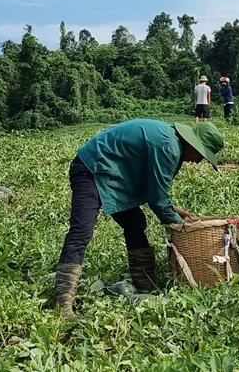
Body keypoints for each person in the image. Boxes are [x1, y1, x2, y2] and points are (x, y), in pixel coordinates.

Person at [54, 118, 224, 317]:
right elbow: (157, 198)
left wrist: (171, 209)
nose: (199, 161)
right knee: (81, 231)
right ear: (194, 144)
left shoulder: (172, 143)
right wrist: (182, 228)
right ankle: (63, 303)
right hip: (92, 168)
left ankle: (146, 285)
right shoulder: (169, 147)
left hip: (113, 173)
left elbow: (155, 188)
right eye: (202, 155)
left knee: (135, 223)